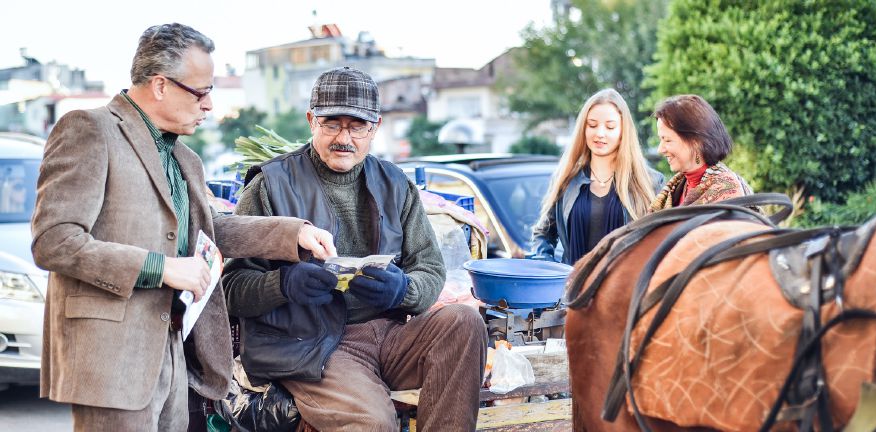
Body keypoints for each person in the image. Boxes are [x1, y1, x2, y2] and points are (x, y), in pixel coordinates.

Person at [30, 23, 336, 432]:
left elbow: (209, 229)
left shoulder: (185, 158)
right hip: (110, 359)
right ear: (160, 85)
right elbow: (54, 241)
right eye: (200, 92)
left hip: (173, 354)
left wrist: (292, 234)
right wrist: (162, 268)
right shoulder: (90, 129)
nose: (209, 105)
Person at [222, 66, 488, 431]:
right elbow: (231, 289)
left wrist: (402, 290)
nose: (344, 138)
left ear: (375, 127)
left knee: (464, 321)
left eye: (357, 126)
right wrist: (283, 285)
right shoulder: (270, 185)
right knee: (372, 423)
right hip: (312, 346)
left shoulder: (395, 183)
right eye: (332, 124)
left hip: (389, 336)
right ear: (311, 121)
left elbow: (429, 269)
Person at [530, 89, 664, 265]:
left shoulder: (650, 182)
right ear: (583, 129)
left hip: (625, 282)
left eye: (610, 127)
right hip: (572, 282)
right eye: (592, 125)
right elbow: (543, 233)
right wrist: (547, 269)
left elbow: (661, 242)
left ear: (623, 131)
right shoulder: (566, 180)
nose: (600, 133)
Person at [650, 94, 753, 210]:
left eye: (667, 140)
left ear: (696, 142)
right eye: (661, 139)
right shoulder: (676, 189)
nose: (660, 150)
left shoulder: (729, 192)